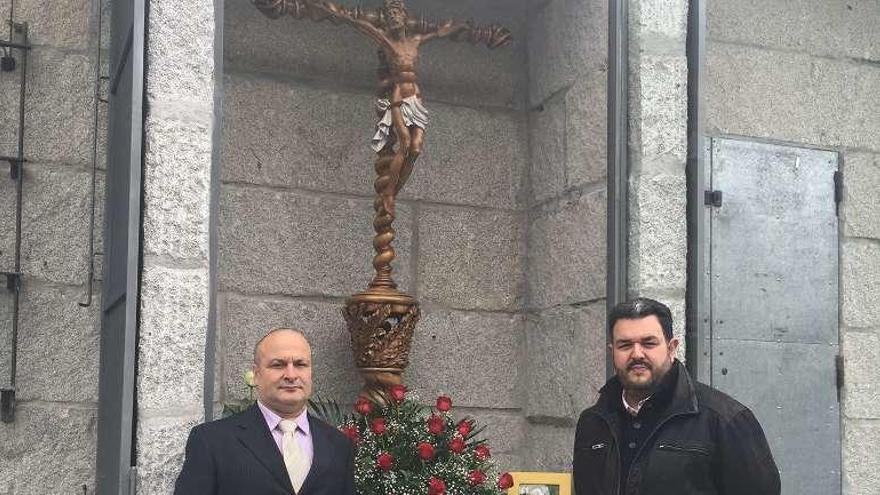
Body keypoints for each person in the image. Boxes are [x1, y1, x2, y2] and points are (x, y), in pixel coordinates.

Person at [573, 298, 780, 495]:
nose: (636, 354)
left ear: (672, 348)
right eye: (625, 345)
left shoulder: (724, 419)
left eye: (649, 343)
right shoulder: (593, 423)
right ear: (612, 352)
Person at [174, 328, 356, 495]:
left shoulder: (340, 446)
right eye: (278, 365)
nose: (291, 375)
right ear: (256, 374)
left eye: (300, 364)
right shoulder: (212, 441)